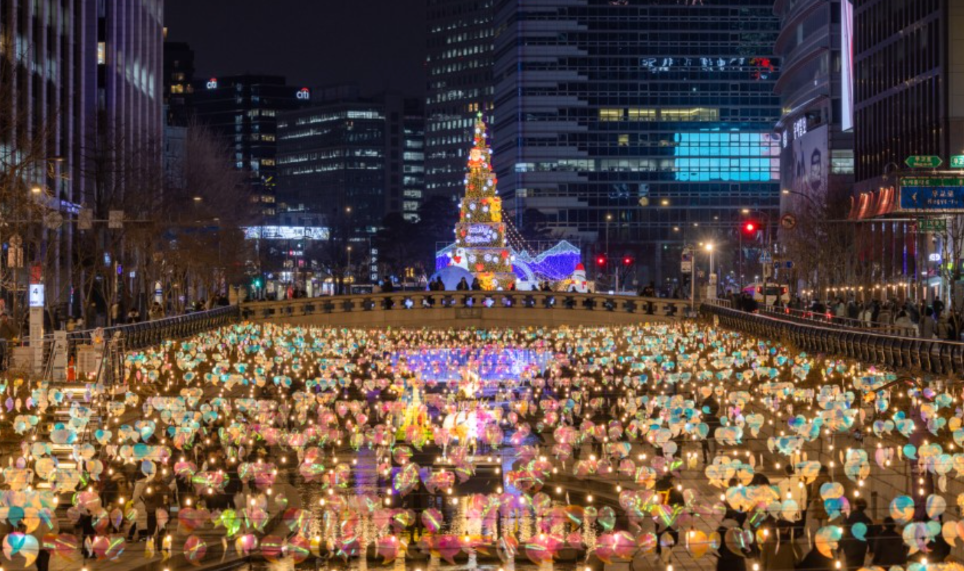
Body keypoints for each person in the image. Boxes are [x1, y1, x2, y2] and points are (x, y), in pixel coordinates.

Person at [839, 497, 873, 570]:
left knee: (850, 566)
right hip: (861, 546)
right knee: (859, 566)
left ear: (855, 506)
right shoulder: (867, 520)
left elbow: (843, 532)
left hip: (849, 545)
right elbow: (870, 535)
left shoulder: (848, 518)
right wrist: (871, 549)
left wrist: (839, 547)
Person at [777, 463, 808, 539]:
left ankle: (787, 536)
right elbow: (804, 496)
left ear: (786, 472)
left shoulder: (781, 483)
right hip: (797, 507)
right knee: (795, 522)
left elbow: (778, 496)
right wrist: (803, 507)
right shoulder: (800, 483)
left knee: (787, 521)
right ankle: (794, 536)